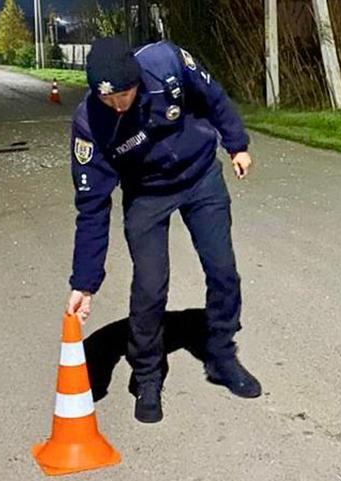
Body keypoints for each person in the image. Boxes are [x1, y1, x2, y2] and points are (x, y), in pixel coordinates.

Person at [65, 37, 261, 424]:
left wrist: (236, 144)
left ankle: (221, 355)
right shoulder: (89, 123)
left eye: (124, 94)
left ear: (136, 80)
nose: (117, 105)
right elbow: (92, 209)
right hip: (147, 195)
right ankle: (147, 375)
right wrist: (84, 283)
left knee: (222, 269)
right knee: (150, 287)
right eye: (107, 98)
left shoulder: (166, 63)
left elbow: (214, 97)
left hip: (200, 177)